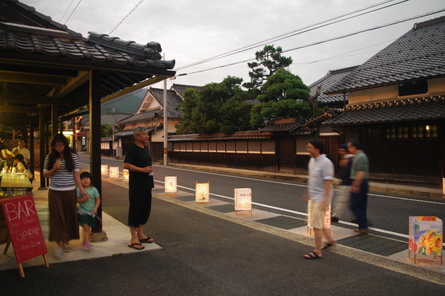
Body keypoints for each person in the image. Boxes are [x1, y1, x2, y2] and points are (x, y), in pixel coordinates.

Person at [43, 134, 88, 257]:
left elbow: (76, 175)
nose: (58, 148)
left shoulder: (72, 157)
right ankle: (59, 244)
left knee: (69, 216)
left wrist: (82, 190)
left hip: (69, 190)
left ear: (65, 145)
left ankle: (66, 242)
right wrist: (53, 170)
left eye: (60, 145)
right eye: (55, 146)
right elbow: (45, 175)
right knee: (56, 217)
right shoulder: (50, 157)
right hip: (55, 190)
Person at [303, 138, 336, 259]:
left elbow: (328, 182)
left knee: (316, 225)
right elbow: (312, 179)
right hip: (313, 196)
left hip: (321, 197)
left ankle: (317, 251)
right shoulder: (312, 161)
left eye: (310, 147)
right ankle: (329, 239)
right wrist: (308, 193)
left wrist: (325, 200)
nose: (308, 150)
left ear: (317, 149)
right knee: (318, 221)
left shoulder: (326, 163)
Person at [123, 126, 155, 250]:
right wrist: (141, 170)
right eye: (143, 134)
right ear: (136, 136)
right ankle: (133, 237)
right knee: (135, 209)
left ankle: (140, 234)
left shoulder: (145, 149)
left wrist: (148, 169)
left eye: (147, 134)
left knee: (145, 209)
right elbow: (126, 164)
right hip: (137, 184)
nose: (146, 136)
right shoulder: (132, 149)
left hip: (147, 183)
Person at [348, 140, 370, 234]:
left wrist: (356, 185)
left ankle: (363, 225)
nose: (348, 149)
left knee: (355, 205)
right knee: (361, 205)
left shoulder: (360, 157)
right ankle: (363, 226)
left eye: (349, 147)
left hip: (360, 181)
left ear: (354, 147)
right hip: (362, 181)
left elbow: (360, 172)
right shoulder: (359, 156)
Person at [76, 171, 101, 250]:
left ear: (90, 180)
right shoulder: (79, 190)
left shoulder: (94, 190)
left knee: (88, 228)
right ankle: (86, 242)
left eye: (87, 178)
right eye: (82, 179)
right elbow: (77, 200)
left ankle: (84, 241)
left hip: (91, 212)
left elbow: (98, 200)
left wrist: (95, 208)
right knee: (86, 228)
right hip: (82, 212)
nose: (85, 180)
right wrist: (84, 199)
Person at [331, 144, 354, 223]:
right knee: (346, 200)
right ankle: (357, 217)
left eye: (341, 150)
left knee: (341, 200)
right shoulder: (345, 159)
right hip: (344, 182)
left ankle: (336, 216)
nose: (340, 152)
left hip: (348, 183)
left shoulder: (350, 159)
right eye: (339, 150)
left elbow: (349, 172)